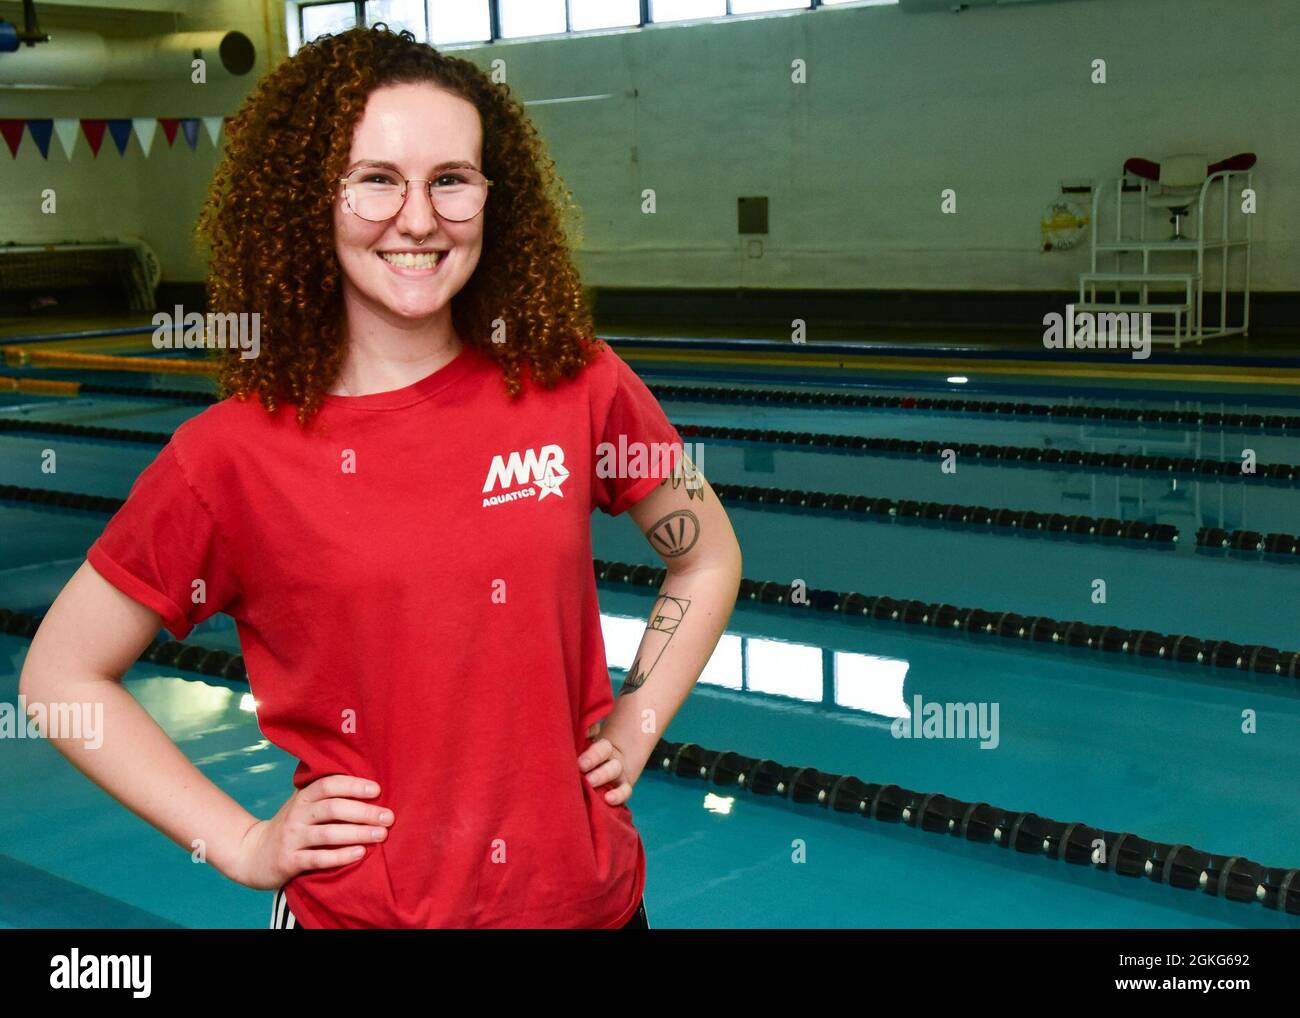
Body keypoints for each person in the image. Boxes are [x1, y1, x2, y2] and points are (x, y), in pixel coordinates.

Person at [18, 24, 742, 929]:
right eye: (376, 180)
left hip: (588, 906)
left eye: (451, 179)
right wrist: (241, 842)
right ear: (306, 203)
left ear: (491, 196)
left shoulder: (572, 381)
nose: (417, 218)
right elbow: (61, 676)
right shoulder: (229, 456)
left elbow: (706, 557)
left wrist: (637, 720)